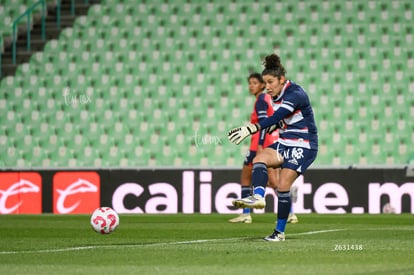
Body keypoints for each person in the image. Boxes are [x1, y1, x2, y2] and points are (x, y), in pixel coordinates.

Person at [228, 53, 318, 241]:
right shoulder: (275, 95)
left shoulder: (295, 93)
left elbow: (279, 116)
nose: (267, 87)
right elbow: (285, 119)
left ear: (281, 79)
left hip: (304, 144)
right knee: (259, 158)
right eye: (265, 83)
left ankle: (279, 232)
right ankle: (258, 197)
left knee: (283, 186)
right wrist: (278, 126)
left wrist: (252, 128)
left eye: (270, 82)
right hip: (285, 142)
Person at [228, 73, 279, 224]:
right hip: (265, 142)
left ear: (262, 85)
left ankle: (246, 214)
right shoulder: (263, 99)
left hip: (259, 144)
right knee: (270, 181)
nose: (251, 86)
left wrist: (260, 146)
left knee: (247, 177)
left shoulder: (261, 100)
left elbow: (263, 124)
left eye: (254, 83)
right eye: (249, 83)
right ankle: (289, 212)